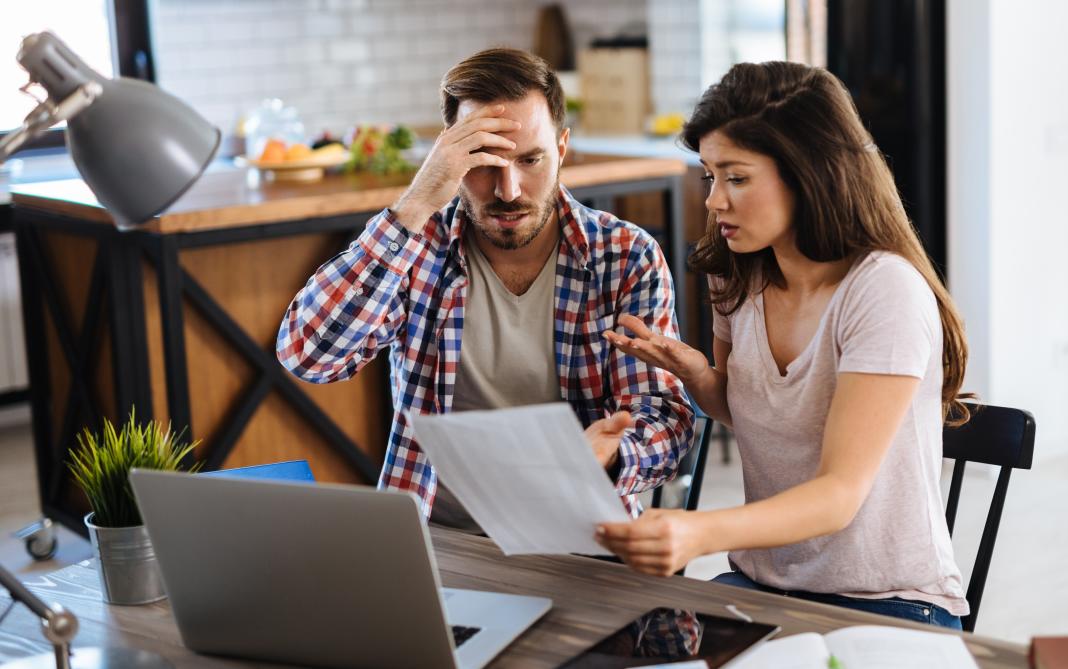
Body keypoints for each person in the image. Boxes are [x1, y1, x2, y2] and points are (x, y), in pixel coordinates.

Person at [595, 61, 973, 630]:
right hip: (761, 584)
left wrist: (698, 531)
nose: (713, 201)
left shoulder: (883, 290)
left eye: (737, 178)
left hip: (890, 601)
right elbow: (756, 413)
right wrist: (700, 379)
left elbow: (839, 494)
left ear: (808, 173)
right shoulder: (736, 274)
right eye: (709, 176)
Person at [277, 48, 694, 528]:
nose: (509, 190)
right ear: (449, 156)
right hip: (437, 535)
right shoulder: (417, 247)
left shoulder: (623, 255)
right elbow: (308, 356)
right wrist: (415, 204)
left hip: (583, 539)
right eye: (483, 162)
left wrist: (616, 452)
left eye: (531, 160)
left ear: (561, 149)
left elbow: (665, 420)